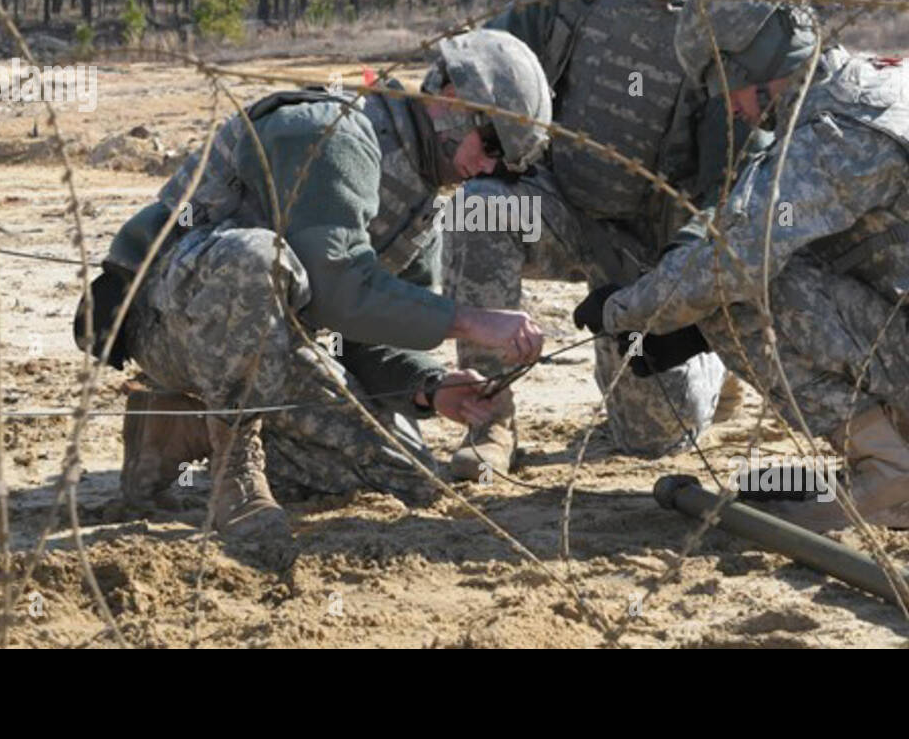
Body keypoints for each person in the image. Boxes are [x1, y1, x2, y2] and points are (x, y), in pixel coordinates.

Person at [576, 0, 909, 531]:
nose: (730, 109)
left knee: (736, 296)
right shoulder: (881, 84)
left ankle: (891, 474)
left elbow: (728, 266)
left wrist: (623, 309)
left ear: (750, 66)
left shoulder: (829, 139)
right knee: (785, 260)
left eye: (724, 88)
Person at [77, 30, 553, 566]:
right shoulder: (333, 133)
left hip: (268, 351)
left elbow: (369, 334)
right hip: (170, 322)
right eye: (490, 145)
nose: (488, 168)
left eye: (505, 164)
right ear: (448, 103)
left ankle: (179, 432)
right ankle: (234, 473)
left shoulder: (420, 202)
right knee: (257, 257)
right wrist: (470, 322)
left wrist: (430, 388)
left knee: (404, 474)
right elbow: (338, 286)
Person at [443, 0, 749, 479]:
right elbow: (476, 67)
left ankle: (711, 367)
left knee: (650, 437)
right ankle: (490, 417)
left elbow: (746, 161)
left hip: (655, 245)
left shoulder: (733, 25)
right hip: (560, 203)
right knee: (478, 209)